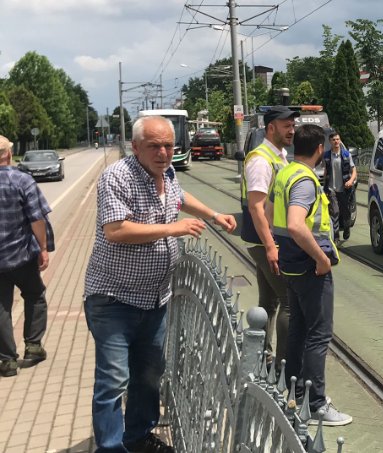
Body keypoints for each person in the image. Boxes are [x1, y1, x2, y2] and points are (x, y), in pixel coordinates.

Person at [83, 116, 236, 452]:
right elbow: (116, 230)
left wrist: (213, 215)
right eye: (154, 146)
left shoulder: (164, 173)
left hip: (155, 298)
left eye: (168, 145)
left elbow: (179, 198)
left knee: (150, 375)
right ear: (135, 146)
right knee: (113, 380)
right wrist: (173, 230)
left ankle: (137, 437)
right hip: (114, 299)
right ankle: (109, 447)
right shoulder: (117, 177)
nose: (164, 152)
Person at [270, 124, 352, 426]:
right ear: (319, 149)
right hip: (309, 266)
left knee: (299, 331)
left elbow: (269, 211)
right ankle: (316, 404)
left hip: (290, 263)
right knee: (319, 335)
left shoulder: (284, 173)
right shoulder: (304, 180)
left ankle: (293, 393)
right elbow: (295, 223)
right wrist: (321, 259)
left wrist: (276, 246)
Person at [240, 106, 300, 358]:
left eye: (293, 125)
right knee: (289, 302)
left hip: (267, 241)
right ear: (271, 127)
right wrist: (271, 246)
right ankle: (283, 368)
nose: (292, 130)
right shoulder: (261, 160)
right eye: (287, 125)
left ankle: (260, 355)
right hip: (266, 241)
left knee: (269, 302)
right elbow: (256, 206)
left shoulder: (279, 155)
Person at [0, 135, 50, 377]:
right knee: (35, 295)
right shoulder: (22, 180)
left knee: (1, 308)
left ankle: (7, 361)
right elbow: (36, 218)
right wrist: (42, 247)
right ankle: (33, 346)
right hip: (21, 255)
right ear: (9, 154)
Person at [323, 130, 357, 242]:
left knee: (345, 212)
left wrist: (351, 181)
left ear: (340, 140)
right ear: (330, 141)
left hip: (345, 189)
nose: (336, 141)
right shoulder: (327, 155)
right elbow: (325, 171)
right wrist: (324, 185)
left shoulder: (346, 154)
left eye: (337, 139)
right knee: (335, 212)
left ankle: (347, 228)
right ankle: (336, 237)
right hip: (331, 189)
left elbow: (353, 170)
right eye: (333, 140)